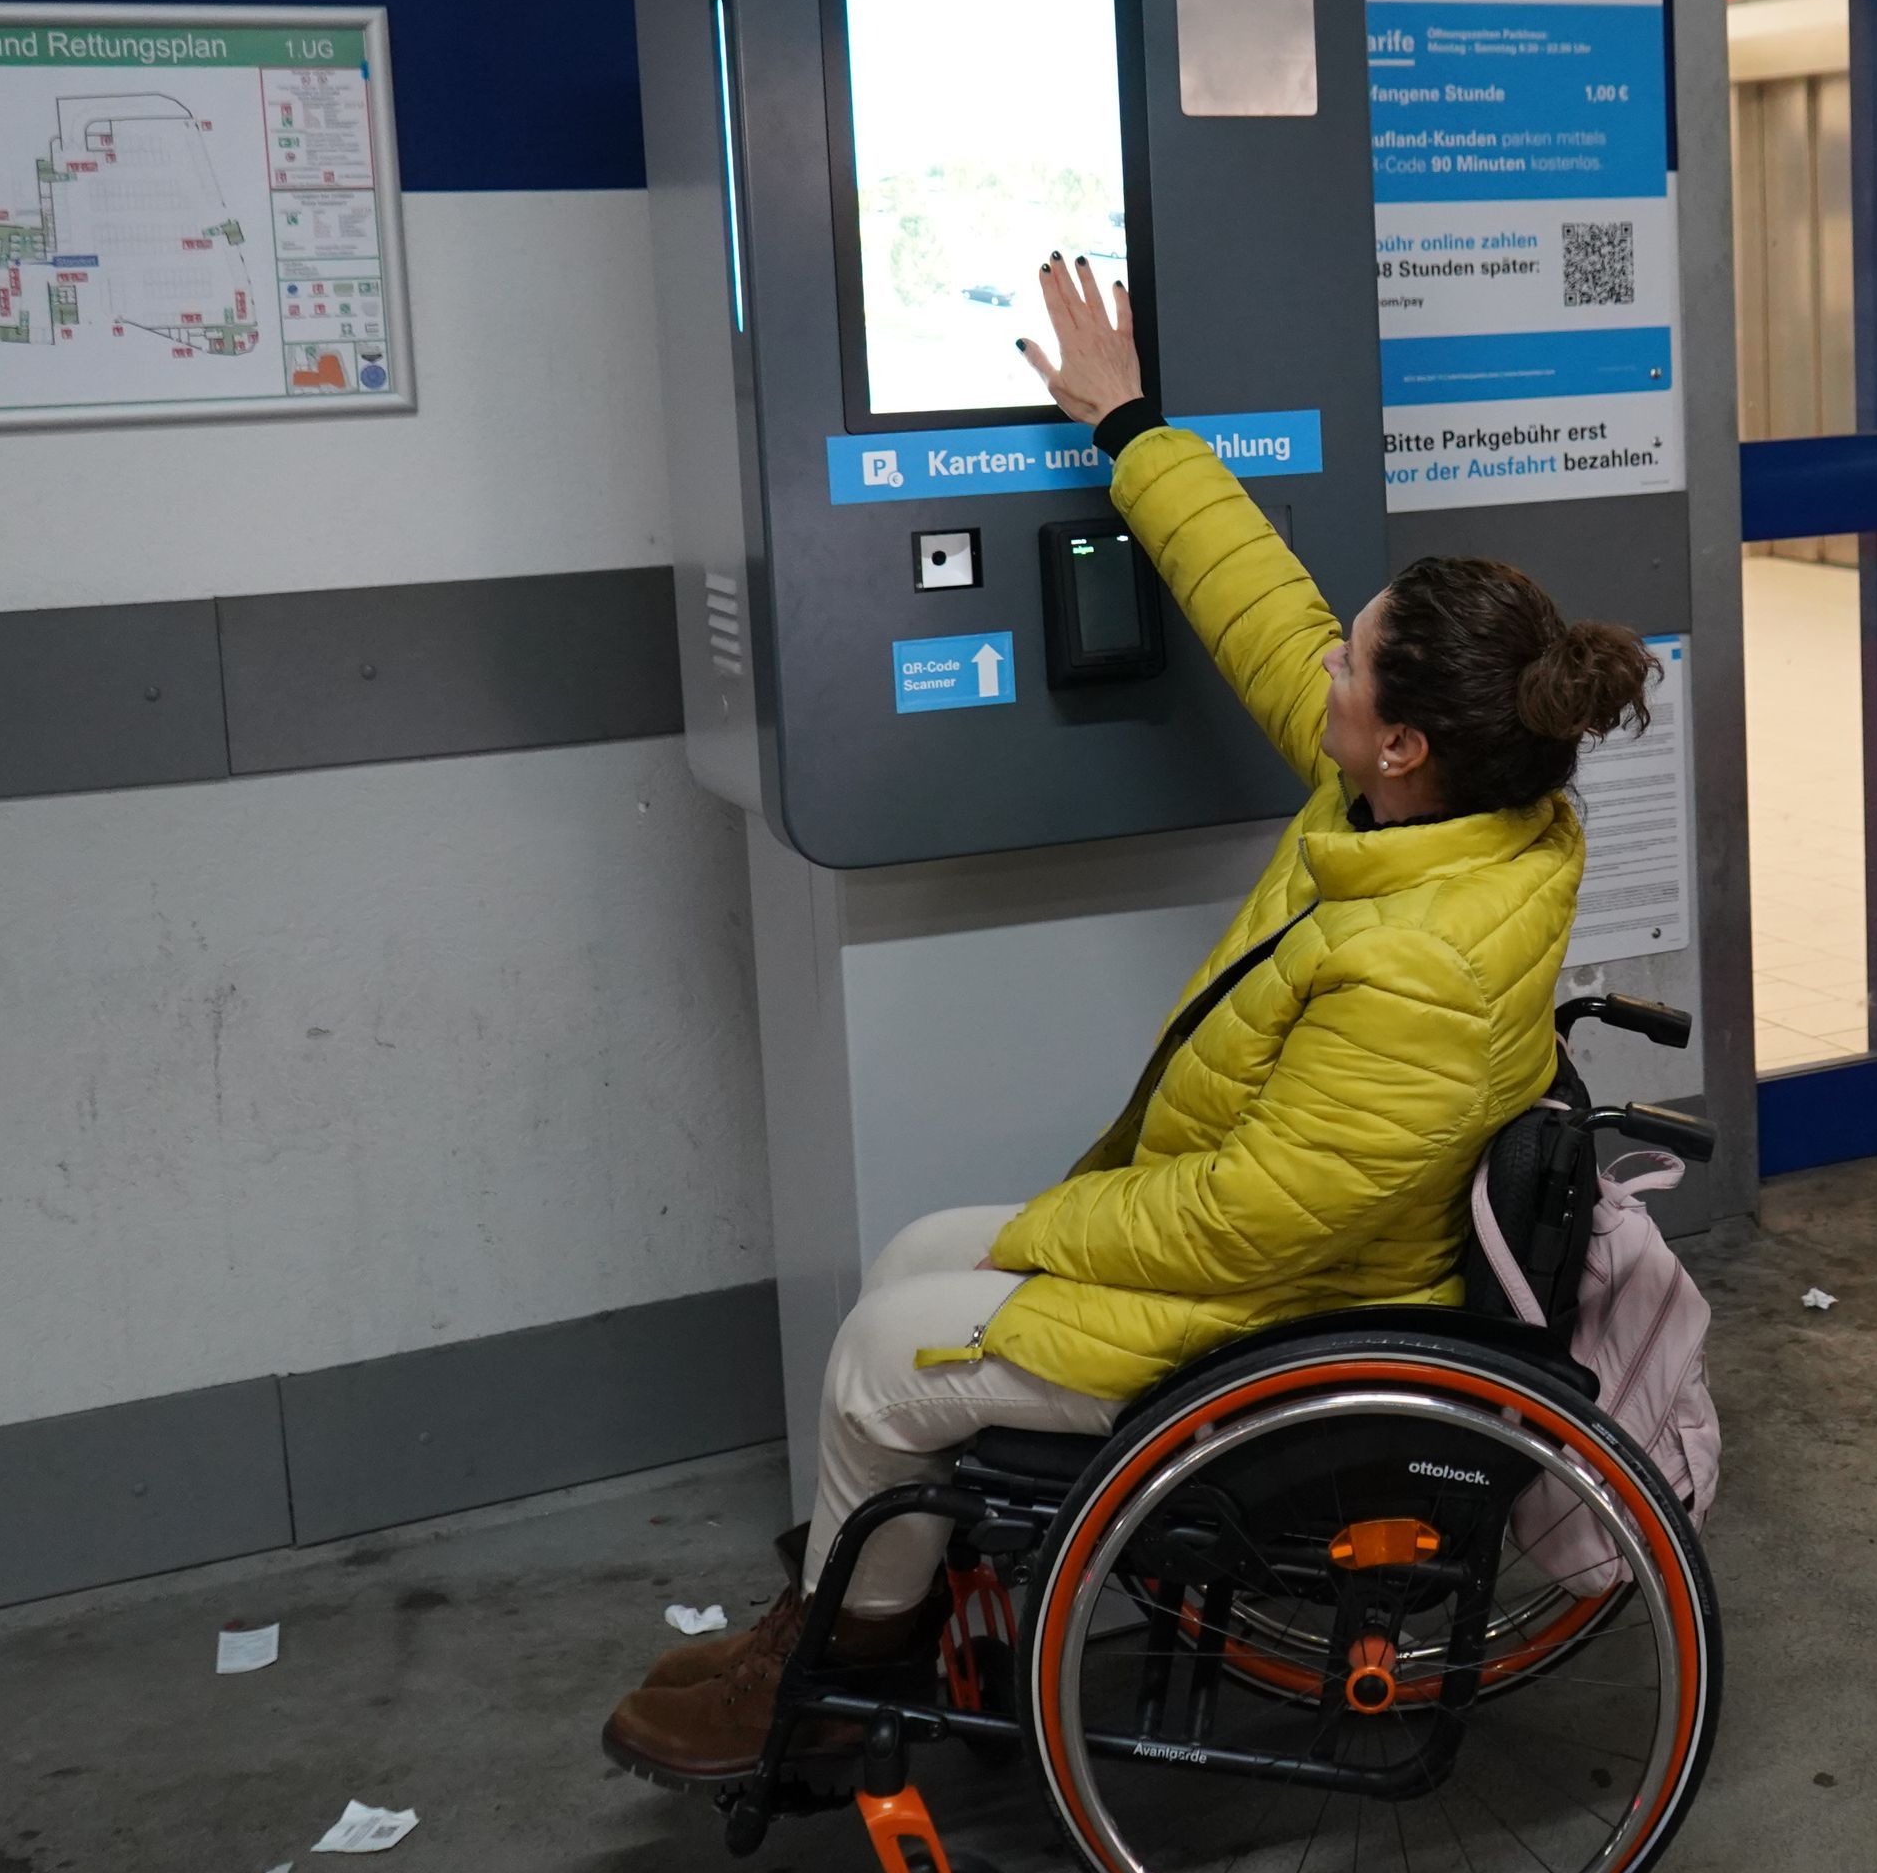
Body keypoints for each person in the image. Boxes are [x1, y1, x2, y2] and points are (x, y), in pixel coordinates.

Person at [603, 251, 1656, 1784]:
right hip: (1296, 1259)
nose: (1326, 668)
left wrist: (1053, 1228)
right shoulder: (1460, 815)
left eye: (1351, 666)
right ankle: (847, 1609)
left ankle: (825, 1676)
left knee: (882, 1353)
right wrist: (1131, 424)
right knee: (909, 1263)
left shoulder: (1418, 965)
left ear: (1408, 739)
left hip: (1292, 1321)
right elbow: (1261, 606)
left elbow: (1245, 1227)